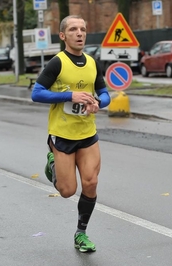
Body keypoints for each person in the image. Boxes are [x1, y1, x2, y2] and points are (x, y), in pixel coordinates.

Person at [31, 15, 111, 253]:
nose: (80, 33)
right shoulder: (57, 62)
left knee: (91, 181)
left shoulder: (92, 62)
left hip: (87, 133)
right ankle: (53, 162)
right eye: (74, 29)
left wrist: (98, 102)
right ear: (63, 36)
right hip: (62, 134)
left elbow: (105, 93)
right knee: (67, 191)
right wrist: (69, 96)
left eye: (83, 29)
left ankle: (81, 233)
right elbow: (37, 93)